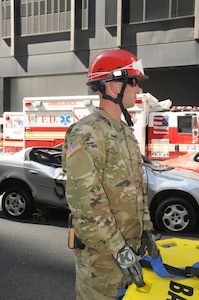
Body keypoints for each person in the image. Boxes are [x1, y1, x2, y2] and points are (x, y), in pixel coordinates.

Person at [62, 49, 158, 300]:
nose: (138, 89)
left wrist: (146, 228)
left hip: (129, 252)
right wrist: (119, 250)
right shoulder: (87, 133)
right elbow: (85, 203)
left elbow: (136, 188)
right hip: (102, 263)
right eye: (134, 82)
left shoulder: (124, 133)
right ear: (114, 85)